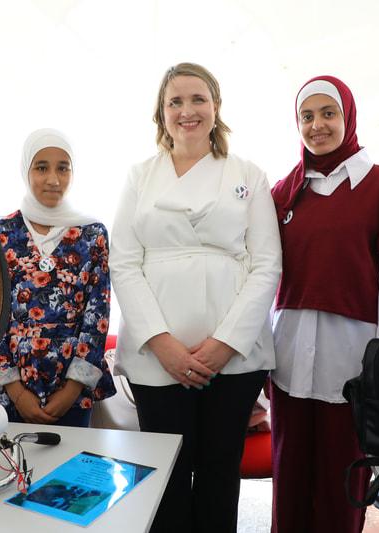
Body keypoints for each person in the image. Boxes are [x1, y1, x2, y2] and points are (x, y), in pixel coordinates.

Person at [110, 62, 281, 533]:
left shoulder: (249, 174)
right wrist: (161, 341)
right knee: (164, 476)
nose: (187, 111)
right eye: (176, 102)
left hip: (235, 358)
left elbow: (267, 264)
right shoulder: (140, 177)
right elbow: (123, 262)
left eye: (197, 99)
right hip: (155, 357)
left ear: (216, 106)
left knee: (219, 474)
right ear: (161, 113)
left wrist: (225, 343)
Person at [270, 75, 379, 533]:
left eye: (328, 113)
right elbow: (267, 279)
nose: (317, 125)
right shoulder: (283, 192)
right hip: (290, 363)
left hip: (350, 367)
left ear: (348, 116)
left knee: (340, 489)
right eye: (307, 116)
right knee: (289, 483)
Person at [0, 128, 115, 428]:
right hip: (14, 387)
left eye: (63, 168)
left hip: (72, 387)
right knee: (15, 457)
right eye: (41, 167)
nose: (53, 179)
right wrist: (16, 391)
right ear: (26, 170)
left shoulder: (91, 233)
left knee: (70, 459)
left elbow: (97, 315)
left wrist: (72, 389)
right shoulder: (0, 233)